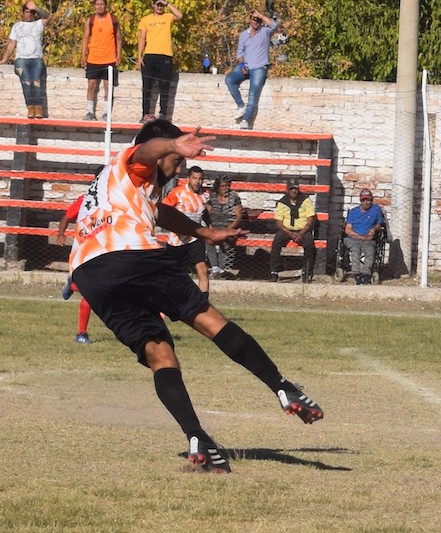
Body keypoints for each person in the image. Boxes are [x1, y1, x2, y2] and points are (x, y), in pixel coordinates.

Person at [68, 120, 323, 473]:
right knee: (210, 321)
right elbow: (145, 151)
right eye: (176, 159)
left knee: (159, 352)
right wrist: (172, 144)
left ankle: (197, 437)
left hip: (89, 272)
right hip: (129, 253)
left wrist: (205, 233)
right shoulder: (135, 161)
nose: (180, 166)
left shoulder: (121, 185)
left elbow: (162, 212)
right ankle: (282, 387)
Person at [225, 9, 279, 129]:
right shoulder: (244, 34)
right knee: (229, 79)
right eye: (254, 20)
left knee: (253, 95)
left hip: (259, 67)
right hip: (245, 66)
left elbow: (274, 24)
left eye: (258, 20)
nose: (256, 22)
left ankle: (246, 120)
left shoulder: (265, 32)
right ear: (249, 21)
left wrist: (260, 15)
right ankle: (240, 105)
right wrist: (242, 64)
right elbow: (239, 53)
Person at [162, 165, 211, 294]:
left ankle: (203, 307)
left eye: (200, 179)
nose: (197, 181)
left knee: (203, 270)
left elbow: (204, 212)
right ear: (189, 178)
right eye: (194, 178)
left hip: (195, 236)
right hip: (176, 239)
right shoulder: (177, 193)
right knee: (172, 275)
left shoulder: (205, 195)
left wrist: (210, 229)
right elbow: (163, 210)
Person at [56, 192, 96, 344]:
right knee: (91, 291)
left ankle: (73, 285)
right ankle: (81, 333)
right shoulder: (85, 199)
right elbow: (66, 217)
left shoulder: (118, 199)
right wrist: (60, 234)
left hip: (105, 248)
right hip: (84, 251)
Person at [0, 0, 51, 118]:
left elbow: (49, 17)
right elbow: (11, 44)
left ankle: (38, 108)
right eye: (27, 12)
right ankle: (30, 107)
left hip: (36, 58)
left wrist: (36, 7)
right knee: (26, 82)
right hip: (21, 59)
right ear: (23, 13)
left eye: (32, 12)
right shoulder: (17, 26)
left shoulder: (38, 24)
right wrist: (4, 59)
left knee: (36, 81)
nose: (29, 14)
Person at [137, 0, 183, 123]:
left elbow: (179, 16)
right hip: (150, 55)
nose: (159, 7)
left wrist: (167, 3)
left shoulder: (168, 17)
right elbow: (142, 38)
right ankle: (145, 114)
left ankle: (163, 115)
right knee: (147, 86)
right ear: (153, 5)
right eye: (157, 4)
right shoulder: (146, 20)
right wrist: (139, 56)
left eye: (161, 5)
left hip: (165, 56)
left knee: (164, 87)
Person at [80, 0, 122, 121]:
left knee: (108, 87)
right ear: (94, 6)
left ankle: (106, 113)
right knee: (91, 85)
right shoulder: (91, 20)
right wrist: (83, 55)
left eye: (102, 4)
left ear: (105, 6)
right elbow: (85, 38)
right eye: (97, 4)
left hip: (109, 59)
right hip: (93, 59)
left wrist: (118, 54)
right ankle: (90, 112)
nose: (99, 7)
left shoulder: (113, 19)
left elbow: (119, 38)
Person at [269, 178, 316, 283]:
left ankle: (307, 271)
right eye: (291, 189)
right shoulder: (282, 203)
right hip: (287, 230)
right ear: (287, 190)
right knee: (276, 242)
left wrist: (301, 233)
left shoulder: (305, 200)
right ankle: (274, 272)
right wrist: (289, 233)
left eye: (295, 189)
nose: (294, 191)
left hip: (303, 230)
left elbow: (310, 219)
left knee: (310, 245)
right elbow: (279, 222)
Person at [344, 189, 385, 285]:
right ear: (360, 201)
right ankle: (357, 274)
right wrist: (359, 237)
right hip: (353, 238)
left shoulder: (376, 210)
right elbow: (348, 230)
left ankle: (366, 275)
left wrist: (373, 229)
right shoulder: (354, 212)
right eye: (364, 200)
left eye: (369, 200)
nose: (366, 202)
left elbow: (379, 223)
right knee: (355, 251)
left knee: (370, 252)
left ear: (372, 200)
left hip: (368, 239)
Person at [206, 175, 243, 277]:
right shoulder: (212, 196)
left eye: (227, 186)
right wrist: (210, 227)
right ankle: (214, 267)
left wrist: (228, 229)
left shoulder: (234, 197)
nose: (225, 188)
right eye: (222, 186)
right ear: (217, 187)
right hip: (214, 226)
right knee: (208, 238)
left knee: (226, 238)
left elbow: (238, 216)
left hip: (229, 226)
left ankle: (221, 268)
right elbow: (207, 213)